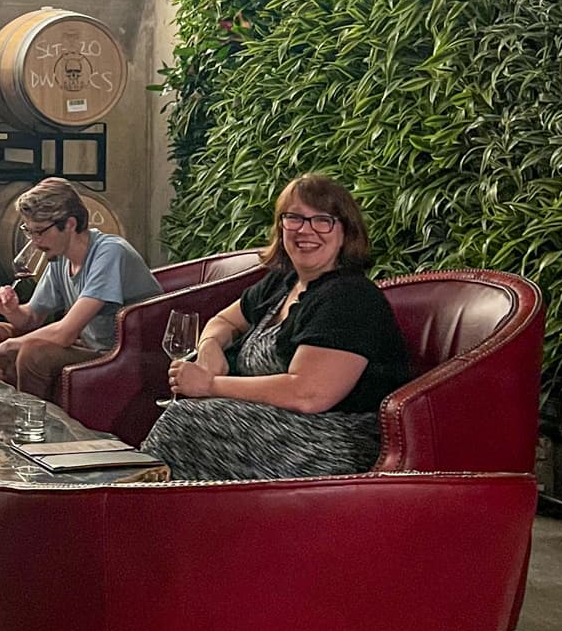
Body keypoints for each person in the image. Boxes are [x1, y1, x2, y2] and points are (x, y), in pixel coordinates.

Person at [148, 173, 412, 480]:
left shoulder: (349, 296)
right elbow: (224, 321)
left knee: (185, 422)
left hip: (336, 440)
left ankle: (132, 506)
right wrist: (209, 350)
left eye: (322, 220)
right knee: (186, 420)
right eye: (294, 218)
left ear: (345, 232)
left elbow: (309, 393)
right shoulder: (282, 282)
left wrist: (209, 385)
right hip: (276, 423)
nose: (306, 230)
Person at [0, 177, 163, 404]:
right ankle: (1, 412)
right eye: (30, 232)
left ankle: (31, 423)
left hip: (120, 353)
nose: (35, 242)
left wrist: (11, 345)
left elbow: (65, 333)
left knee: (33, 353)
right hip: (87, 345)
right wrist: (10, 310)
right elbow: (31, 319)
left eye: (40, 232)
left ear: (70, 224)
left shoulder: (109, 253)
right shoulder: (59, 259)